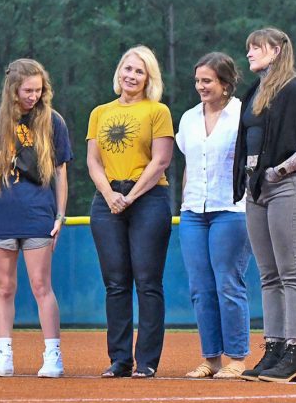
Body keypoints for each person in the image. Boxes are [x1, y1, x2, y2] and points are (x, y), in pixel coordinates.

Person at [234, 28, 296, 383]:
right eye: (248, 48)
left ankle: (295, 354)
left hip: (287, 188)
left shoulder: (294, 91)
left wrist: (282, 169)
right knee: (269, 275)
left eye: (256, 48)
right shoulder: (254, 93)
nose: (249, 53)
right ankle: (273, 349)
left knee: (292, 273)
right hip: (256, 190)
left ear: (276, 51)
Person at [0, 58, 71, 378]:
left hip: (38, 215)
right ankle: (3, 355)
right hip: (0, 215)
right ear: (12, 89)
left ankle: (53, 355)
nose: (34, 96)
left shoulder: (53, 121)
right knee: (4, 287)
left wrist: (60, 215)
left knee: (42, 286)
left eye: (38, 90)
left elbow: (61, 173)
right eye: (28, 90)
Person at [86, 45, 174, 379]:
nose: (132, 76)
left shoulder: (158, 111)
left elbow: (161, 160)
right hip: (107, 200)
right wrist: (110, 195)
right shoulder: (100, 112)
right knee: (115, 284)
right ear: (119, 72)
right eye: (128, 69)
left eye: (139, 71)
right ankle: (119, 359)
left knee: (148, 282)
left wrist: (131, 196)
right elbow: (93, 161)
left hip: (148, 198)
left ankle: (147, 361)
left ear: (149, 78)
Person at [175, 53, 250, 379]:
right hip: (193, 211)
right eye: (198, 81)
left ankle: (236, 358)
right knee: (200, 288)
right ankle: (211, 359)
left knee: (228, 285)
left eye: (207, 81)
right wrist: (184, 203)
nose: (200, 86)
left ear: (225, 83)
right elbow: (189, 164)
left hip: (231, 209)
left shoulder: (243, 114)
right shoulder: (189, 118)